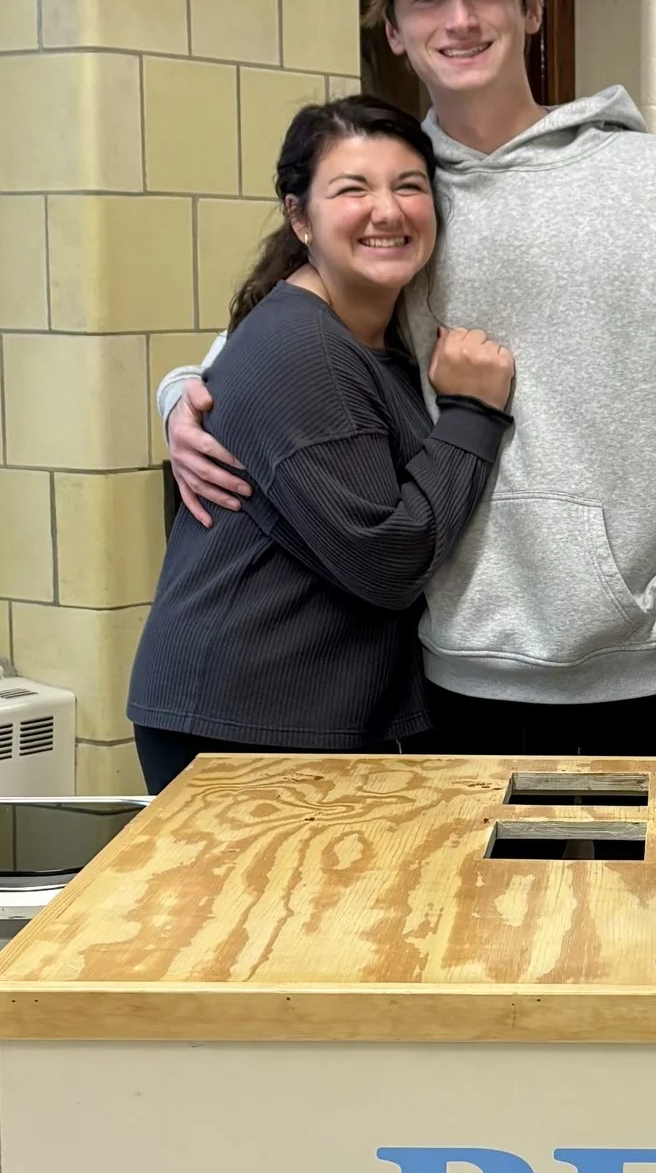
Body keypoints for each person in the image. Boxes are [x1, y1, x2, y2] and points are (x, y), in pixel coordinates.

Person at [158, 0, 656, 760]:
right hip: (457, 676)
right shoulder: (399, 207)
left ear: (532, 7)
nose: (459, 18)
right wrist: (178, 398)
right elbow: (269, 350)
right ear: (393, 30)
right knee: (484, 907)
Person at [126, 94, 514, 796]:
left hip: (291, 712)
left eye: (408, 185)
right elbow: (388, 556)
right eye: (352, 189)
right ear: (299, 216)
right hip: (237, 724)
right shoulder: (305, 350)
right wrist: (473, 412)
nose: (387, 210)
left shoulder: (368, 333)